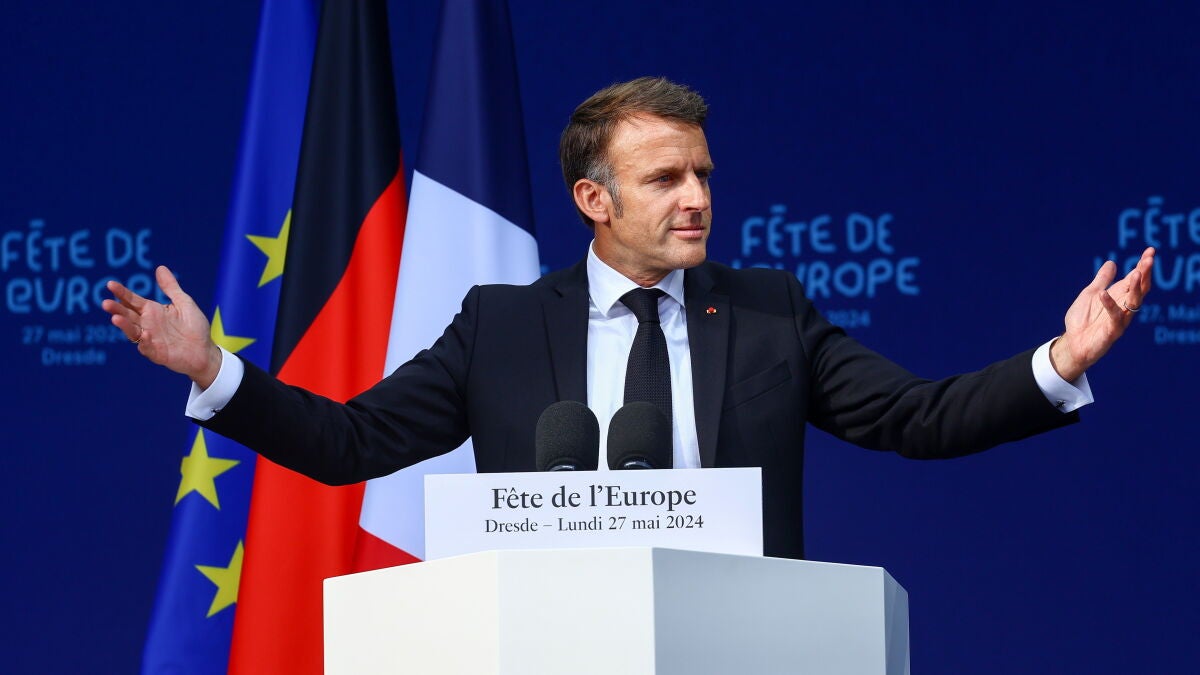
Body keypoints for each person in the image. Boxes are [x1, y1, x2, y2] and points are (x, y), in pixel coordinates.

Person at [103, 77, 1155, 559]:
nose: (697, 198)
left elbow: (914, 418)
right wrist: (213, 370)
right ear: (593, 200)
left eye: (703, 174)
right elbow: (351, 443)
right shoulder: (502, 326)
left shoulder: (770, 312)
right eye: (665, 178)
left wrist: (1061, 359)